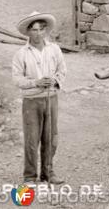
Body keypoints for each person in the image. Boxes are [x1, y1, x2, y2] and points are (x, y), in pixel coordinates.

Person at [11, 11, 67, 185]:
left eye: (41, 29)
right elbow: (17, 79)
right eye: (34, 30)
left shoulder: (54, 49)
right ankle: (29, 176)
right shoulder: (21, 54)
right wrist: (36, 82)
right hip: (32, 101)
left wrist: (54, 80)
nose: (38, 33)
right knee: (31, 139)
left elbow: (62, 70)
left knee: (51, 138)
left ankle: (48, 173)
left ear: (46, 31)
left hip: (51, 98)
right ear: (28, 32)